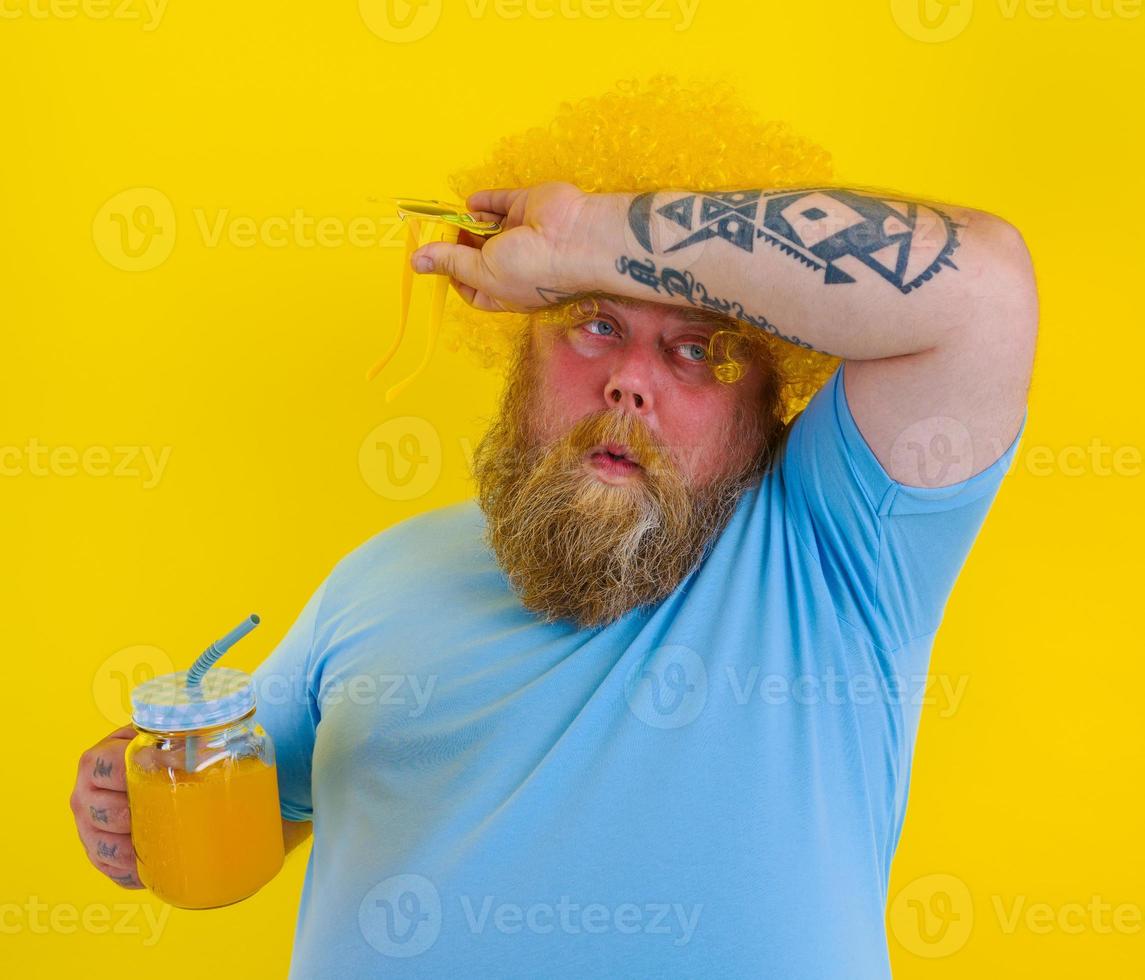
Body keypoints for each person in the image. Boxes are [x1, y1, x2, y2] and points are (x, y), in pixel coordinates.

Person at [70, 79, 1037, 977]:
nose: (630, 380)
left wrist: (583, 239)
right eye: (593, 324)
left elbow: (982, 290)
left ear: (770, 405)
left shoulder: (831, 552)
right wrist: (136, 794)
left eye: (698, 350)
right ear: (517, 354)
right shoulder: (380, 575)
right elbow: (247, 798)